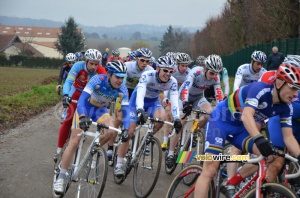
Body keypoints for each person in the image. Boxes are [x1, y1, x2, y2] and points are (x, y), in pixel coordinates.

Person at [194, 63, 300, 198]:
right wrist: (259, 138)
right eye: (293, 88)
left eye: (298, 89)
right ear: (279, 83)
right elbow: (246, 115)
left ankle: (231, 183)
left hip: (240, 129)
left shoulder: (287, 108)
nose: (296, 94)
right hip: (220, 122)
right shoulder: (259, 90)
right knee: (210, 170)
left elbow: (289, 137)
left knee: (270, 157)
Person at [53, 60, 129, 194]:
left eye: (122, 77)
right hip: (85, 109)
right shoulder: (97, 80)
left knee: (111, 132)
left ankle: (93, 150)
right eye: (117, 76)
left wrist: (126, 129)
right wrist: (82, 116)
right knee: (75, 140)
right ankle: (61, 177)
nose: (120, 80)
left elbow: (126, 111)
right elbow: (82, 99)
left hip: (100, 111)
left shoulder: (122, 89)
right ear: (109, 75)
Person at [113, 56, 182, 176]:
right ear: (158, 69)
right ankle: (119, 165)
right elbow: (140, 94)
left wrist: (176, 118)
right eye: (165, 70)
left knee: (162, 119)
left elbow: (175, 101)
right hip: (136, 102)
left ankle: (145, 140)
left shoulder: (173, 82)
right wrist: (140, 110)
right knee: (130, 131)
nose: (168, 74)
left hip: (152, 103)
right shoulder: (148, 75)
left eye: (171, 72)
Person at [53, 49, 106, 162]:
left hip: (89, 96)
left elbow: (106, 86)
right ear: (86, 61)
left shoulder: (100, 70)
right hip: (76, 92)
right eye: (91, 63)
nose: (93, 67)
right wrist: (66, 95)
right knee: (68, 120)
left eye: (96, 64)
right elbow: (68, 82)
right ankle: (59, 150)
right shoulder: (78, 66)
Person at [161, 52, 191, 153]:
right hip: (170, 94)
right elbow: (165, 85)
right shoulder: (172, 71)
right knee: (168, 114)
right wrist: (165, 97)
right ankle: (165, 140)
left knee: (182, 118)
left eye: (187, 65)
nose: (185, 68)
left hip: (181, 96)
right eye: (182, 65)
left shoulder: (189, 73)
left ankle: (178, 138)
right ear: (177, 64)